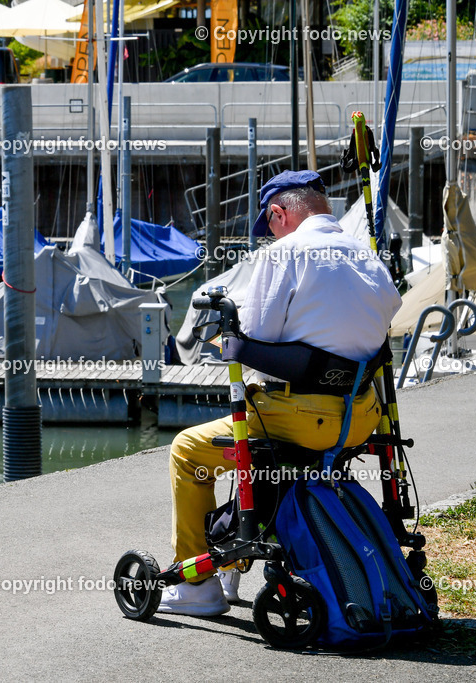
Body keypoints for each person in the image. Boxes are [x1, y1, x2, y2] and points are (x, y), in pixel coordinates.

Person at [160, 170, 402, 617]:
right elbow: (388, 317)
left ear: (279, 213)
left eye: (268, 224)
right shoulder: (368, 256)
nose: (267, 234)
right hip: (360, 418)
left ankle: (196, 584)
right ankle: (236, 553)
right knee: (261, 433)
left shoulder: (284, 254)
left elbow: (254, 338)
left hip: (301, 420)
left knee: (188, 450)